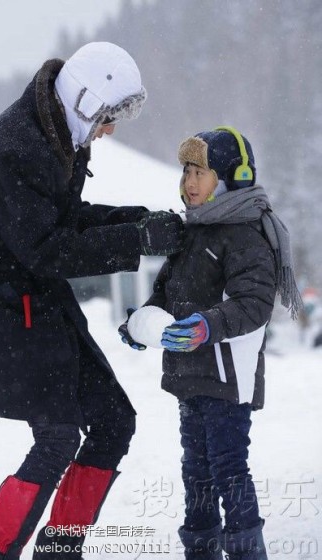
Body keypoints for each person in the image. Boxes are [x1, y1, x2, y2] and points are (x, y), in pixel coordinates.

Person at [0, 41, 185, 560]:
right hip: (2, 313)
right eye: (109, 117)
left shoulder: (59, 132)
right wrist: (136, 240)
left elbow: (62, 220)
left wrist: (135, 220)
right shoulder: (15, 150)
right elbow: (49, 248)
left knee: (115, 420)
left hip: (39, 303)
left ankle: (59, 549)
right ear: (84, 100)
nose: (111, 130)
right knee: (58, 437)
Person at [119, 126, 302, 560]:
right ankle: (200, 551)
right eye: (185, 171)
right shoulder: (191, 232)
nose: (190, 182)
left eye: (200, 171)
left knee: (227, 469)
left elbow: (254, 302)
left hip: (225, 374)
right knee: (195, 472)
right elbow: (165, 293)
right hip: (190, 375)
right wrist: (141, 323)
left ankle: (245, 552)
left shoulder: (245, 232)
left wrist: (207, 325)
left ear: (231, 177)